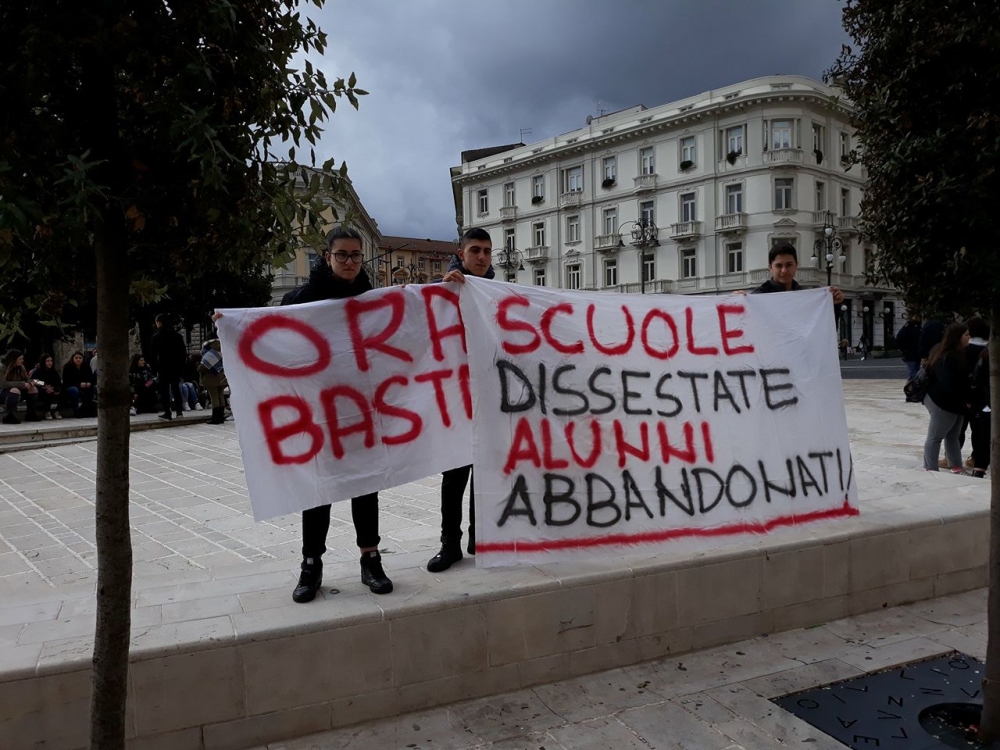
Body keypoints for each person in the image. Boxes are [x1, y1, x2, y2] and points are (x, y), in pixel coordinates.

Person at [215, 226, 393, 602]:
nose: (349, 261)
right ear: (327, 257)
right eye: (342, 254)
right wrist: (232, 324)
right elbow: (271, 334)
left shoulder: (372, 299)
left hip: (360, 409)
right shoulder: (301, 300)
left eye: (355, 255)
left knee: (366, 485)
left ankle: (371, 559)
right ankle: (311, 564)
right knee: (317, 488)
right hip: (318, 411)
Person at [425, 228, 495, 573]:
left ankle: (480, 539)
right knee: (454, 477)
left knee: (485, 475)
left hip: (488, 399)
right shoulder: (445, 290)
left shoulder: (495, 292)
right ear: (461, 253)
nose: (482, 257)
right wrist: (442, 291)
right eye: (475, 250)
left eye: (487, 251)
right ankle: (450, 544)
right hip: (454, 400)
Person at [922, 322, 970, 472]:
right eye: (966, 335)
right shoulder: (950, 356)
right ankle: (930, 468)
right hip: (943, 401)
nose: (969, 337)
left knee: (953, 435)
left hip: (953, 401)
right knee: (936, 436)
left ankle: (955, 465)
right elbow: (950, 382)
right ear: (958, 337)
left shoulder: (944, 351)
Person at [735, 243, 845, 304]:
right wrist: (734, 303)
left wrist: (834, 305)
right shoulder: (757, 297)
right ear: (770, 268)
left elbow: (824, 327)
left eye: (789, 265)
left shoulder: (806, 297)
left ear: (796, 265)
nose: (784, 270)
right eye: (779, 266)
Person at [149, 313, 187, 421]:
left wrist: (155, 368)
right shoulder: (177, 336)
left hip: (163, 366)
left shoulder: (156, 336)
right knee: (176, 388)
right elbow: (183, 353)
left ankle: (167, 412)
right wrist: (181, 367)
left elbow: (153, 355)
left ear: (159, 323)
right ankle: (179, 412)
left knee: (164, 390)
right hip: (176, 366)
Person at [1, 349, 40, 424]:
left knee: (33, 389)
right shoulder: (3, 368)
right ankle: (9, 415)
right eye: (20, 359)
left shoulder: (21, 367)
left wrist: (34, 382)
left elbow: (27, 379)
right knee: (15, 390)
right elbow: (3, 384)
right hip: (4, 392)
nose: (22, 360)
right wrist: (22, 384)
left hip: (19, 391)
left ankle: (30, 414)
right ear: (13, 359)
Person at [198, 339, 228, 425]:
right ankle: (221, 416)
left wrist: (198, 368)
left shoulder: (209, 351)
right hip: (222, 376)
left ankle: (215, 418)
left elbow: (204, 366)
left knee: (214, 397)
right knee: (220, 396)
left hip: (211, 378)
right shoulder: (222, 349)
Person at [62, 351, 96, 417]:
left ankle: (87, 410)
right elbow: (67, 381)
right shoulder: (67, 367)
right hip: (71, 386)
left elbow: (91, 378)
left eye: (80, 358)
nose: (78, 359)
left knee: (91, 389)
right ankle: (76, 410)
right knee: (75, 390)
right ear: (73, 358)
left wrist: (89, 383)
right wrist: (79, 384)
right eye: (76, 358)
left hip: (84, 386)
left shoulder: (86, 366)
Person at [30, 354, 63, 420]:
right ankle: (47, 411)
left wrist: (55, 388)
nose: (50, 363)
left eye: (51, 361)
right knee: (47, 392)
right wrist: (44, 385)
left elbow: (58, 381)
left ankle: (57, 411)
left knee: (63, 392)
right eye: (47, 361)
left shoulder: (53, 371)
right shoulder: (37, 371)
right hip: (41, 389)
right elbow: (34, 381)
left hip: (52, 388)